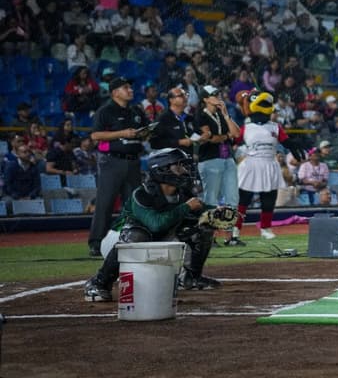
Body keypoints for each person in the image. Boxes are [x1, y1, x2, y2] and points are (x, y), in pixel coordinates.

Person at [83, 148, 225, 300]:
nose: (185, 170)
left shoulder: (183, 193)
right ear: (162, 169)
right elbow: (156, 224)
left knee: (203, 228)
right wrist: (186, 207)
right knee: (137, 234)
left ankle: (191, 278)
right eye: (179, 166)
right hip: (120, 241)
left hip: (156, 240)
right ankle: (99, 283)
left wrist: (217, 212)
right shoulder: (142, 194)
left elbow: (201, 210)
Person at [86, 76, 150, 257]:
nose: (130, 90)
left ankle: (133, 238)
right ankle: (96, 242)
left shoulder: (135, 110)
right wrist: (123, 133)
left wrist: (146, 133)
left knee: (133, 203)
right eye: (125, 87)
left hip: (133, 160)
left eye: (130, 87)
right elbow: (96, 136)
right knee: (105, 202)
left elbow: (144, 131)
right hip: (111, 161)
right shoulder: (105, 111)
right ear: (115, 92)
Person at [236, 91, 296, 240]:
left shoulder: (275, 127)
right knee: (243, 200)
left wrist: (295, 146)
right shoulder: (246, 127)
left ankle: (266, 228)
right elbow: (234, 141)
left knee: (268, 200)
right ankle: (235, 229)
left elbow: (286, 141)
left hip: (270, 164)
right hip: (251, 164)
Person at [195, 84, 243, 244]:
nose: (218, 96)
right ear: (205, 99)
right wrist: (226, 136)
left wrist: (226, 115)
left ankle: (230, 238)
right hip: (209, 159)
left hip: (227, 158)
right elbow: (210, 138)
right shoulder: (200, 116)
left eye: (218, 93)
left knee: (232, 198)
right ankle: (210, 237)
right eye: (214, 95)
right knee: (211, 199)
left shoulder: (222, 114)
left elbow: (236, 134)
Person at [148, 86, 195, 151]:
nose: (185, 97)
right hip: (173, 159)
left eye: (186, 94)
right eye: (181, 95)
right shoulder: (162, 119)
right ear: (171, 100)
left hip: (191, 157)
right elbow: (154, 143)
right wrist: (178, 142)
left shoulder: (188, 118)